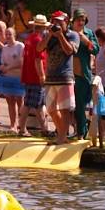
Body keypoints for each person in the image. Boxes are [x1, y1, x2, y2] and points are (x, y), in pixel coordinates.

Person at [38, 12, 79, 145]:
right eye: (54, 21)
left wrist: (60, 35)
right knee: (50, 109)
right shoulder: (48, 34)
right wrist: (50, 35)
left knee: (64, 109)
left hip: (65, 77)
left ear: (66, 22)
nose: (57, 24)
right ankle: (63, 135)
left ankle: (61, 137)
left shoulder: (73, 35)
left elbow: (69, 51)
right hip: (50, 78)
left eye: (60, 21)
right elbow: (39, 48)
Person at [69, 9, 99, 140]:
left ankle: (81, 132)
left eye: (83, 20)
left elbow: (96, 50)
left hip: (81, 73)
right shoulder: (68, 32)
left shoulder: (89, 33)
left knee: (80, 104)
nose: (80, 22)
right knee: (68, 105)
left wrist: (87, 42)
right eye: (78, 19)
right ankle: (74, 129)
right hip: (67, 72)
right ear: (73, 20)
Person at [18, 14, 49, 137]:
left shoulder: (29, 38)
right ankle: (23, 129)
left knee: (37, 104)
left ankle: (44, 129)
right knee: (31, 104)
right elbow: (38, 60)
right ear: (42, 27)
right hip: (35, 77)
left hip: (28, 75)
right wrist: (42, 76)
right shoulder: (38, 40)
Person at [0, 27, 24, 132]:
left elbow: (21, 62)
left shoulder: (20, 46)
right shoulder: (4, 48)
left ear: (14, 35)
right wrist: (2, 67)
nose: (8, 36)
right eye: (7, 34)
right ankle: (12, 125)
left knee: (20, 101)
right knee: (10, 102)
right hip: (7, 77)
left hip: (18, 78)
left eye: (10, 34)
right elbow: (3, 62)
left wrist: (8, 67)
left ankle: (22, 125)